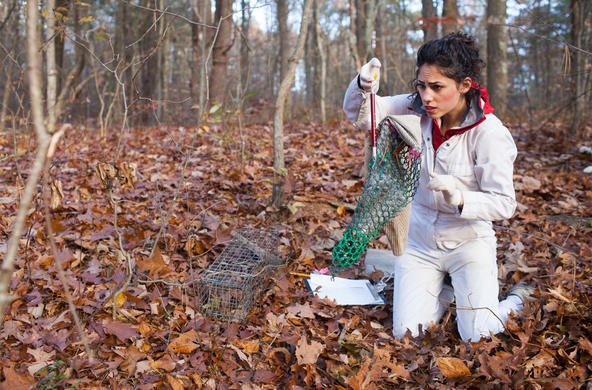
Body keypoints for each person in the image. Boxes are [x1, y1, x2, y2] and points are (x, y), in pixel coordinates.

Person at [342, 32, 533, 342]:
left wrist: (461, 198)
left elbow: (504, 203)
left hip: (467, 242)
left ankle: (515, 300)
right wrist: (363, 86)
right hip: (418, 242)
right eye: (421, 85)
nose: (426, 96)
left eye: (437, 87)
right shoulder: (415, 107)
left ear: (465, 86)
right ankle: (445, 291)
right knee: (407, 333)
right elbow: (364, 116)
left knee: (479, 335)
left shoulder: (489, 133)